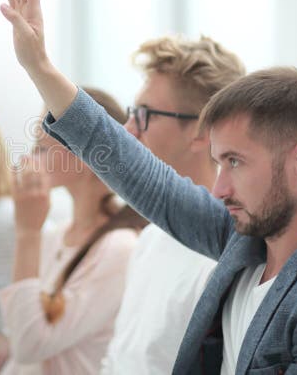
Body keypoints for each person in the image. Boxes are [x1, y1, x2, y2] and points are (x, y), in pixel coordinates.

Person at [0, 0, 297, 373]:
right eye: (220, 161)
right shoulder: (245, 237)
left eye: (235, 162)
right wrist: (39, 67)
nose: (219, 188)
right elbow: (140, 173)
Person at [102, 35, 245, 374]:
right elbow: (121, 357)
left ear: (201, 131)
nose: (128, 129)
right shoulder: (150, 238)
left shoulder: (226, 260)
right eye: (132, 112)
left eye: (145, 114)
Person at [0, 87, 146, 374]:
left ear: (86, 149)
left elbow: (29, 346)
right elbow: (16, 330)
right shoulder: (56, 235)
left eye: (41, 147)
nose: (30, 156)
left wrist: (27, 233)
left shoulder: (118, 248)